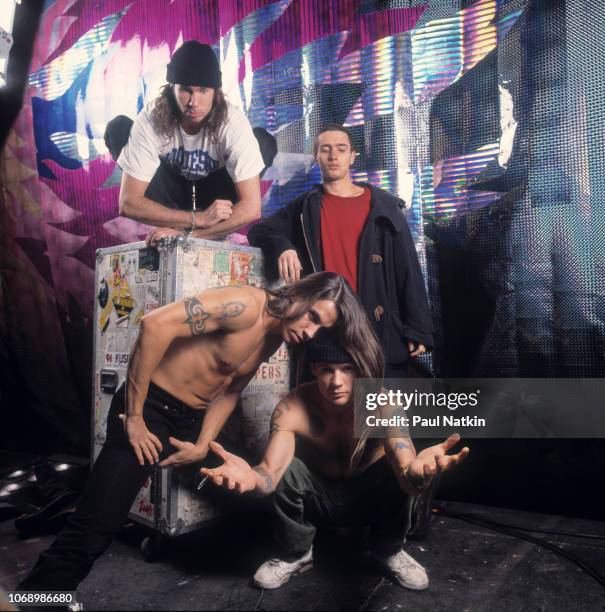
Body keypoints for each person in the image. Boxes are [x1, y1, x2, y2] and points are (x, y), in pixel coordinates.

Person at [17, 272, 375, 593]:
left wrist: (202, 443)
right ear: (301, 293)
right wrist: (134, 417)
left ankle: (289, 552)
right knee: (96, 526)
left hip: (189, 420)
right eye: (312, 317)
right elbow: (155, 325)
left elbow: (231, 389)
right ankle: (37, 599)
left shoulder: (274, 336)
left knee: (254, 488)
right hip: (150, 409)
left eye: (320, 329)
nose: (310, 332)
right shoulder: (246, 305)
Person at [201, 329, 469, 590]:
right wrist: (252, 478)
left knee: (391, 466)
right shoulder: (293, 407)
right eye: (328, 369)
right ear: (315, 369)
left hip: (368, 501)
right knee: (289, 468)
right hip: (319, 502)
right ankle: (296, 553)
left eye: (347, 369)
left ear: (361, 369)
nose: (336, 381)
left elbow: (405, 472)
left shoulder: (385, 405)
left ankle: (387, 550)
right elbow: (271, 473)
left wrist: (419, 472)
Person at [248, 123, 435, 379]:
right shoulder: (306, 206)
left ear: (352, 157)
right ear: (316, 158)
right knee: (331, 403)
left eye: (341, 149)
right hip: (328, 325)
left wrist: (419, 327)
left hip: (374, 321)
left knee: (377, 404)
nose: (333, 156)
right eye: (325, 150)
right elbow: (260, 230)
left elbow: (408, 268)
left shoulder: (383, 206)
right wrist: (284, 247)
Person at [116, 40, 268, 243]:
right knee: (118, 129)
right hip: (172, 194)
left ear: (216, 92)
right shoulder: (151, 118)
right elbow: (128, 203)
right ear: (172, 88)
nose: (193, 102)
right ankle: (173, 222)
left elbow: (252, 207)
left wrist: (193, 235)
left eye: (203, 90)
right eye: (186, 90)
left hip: (216, 196)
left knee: (263, 142)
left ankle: (203, 227)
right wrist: (195, 219)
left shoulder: (232, 122)